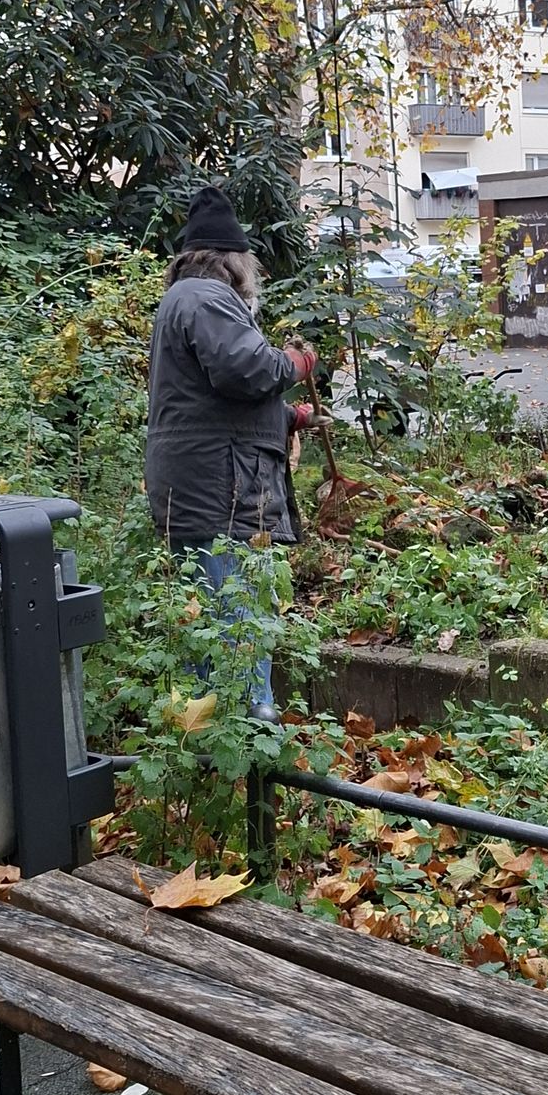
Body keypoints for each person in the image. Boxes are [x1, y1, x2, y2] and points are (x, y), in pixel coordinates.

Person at [145, 186, 317, 719]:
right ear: (235, 262)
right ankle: (250, 732)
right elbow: (246, 370)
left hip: (201, 482)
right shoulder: (206, 298)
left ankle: (208, 732)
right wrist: (294, 364)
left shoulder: (185, 300)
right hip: (223, 491)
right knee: (237, 614)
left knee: (209, 615)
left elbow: (206, 398)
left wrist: (289, 417)